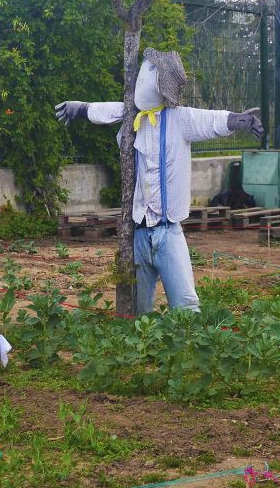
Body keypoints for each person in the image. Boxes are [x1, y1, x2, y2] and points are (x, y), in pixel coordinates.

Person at [55, 48, 263, 315]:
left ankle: (190, 339)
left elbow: (209, 119)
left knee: (186, 304)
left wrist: (236, 120)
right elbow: (109, 109)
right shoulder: (133, 115)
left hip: (168, 233)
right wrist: (82, 109)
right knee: (137, 307)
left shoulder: (181, 119)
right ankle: (140, 337)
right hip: (137, 232)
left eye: (151, 70)